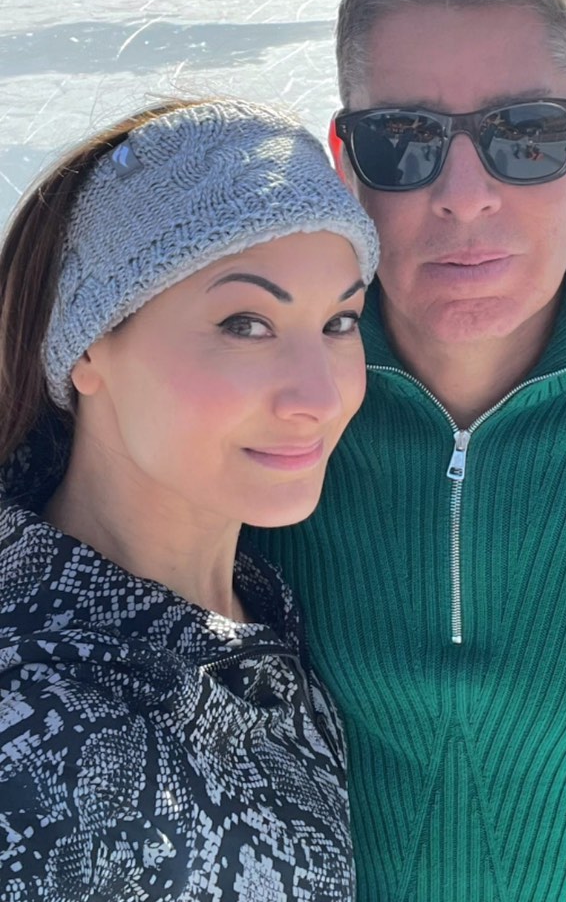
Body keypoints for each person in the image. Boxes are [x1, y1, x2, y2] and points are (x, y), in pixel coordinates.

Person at [247, 0, 566, 902]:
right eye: (403, 140)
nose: (465, 196)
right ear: (346, 165)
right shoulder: (262, 403)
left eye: (526, 134)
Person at [0, 97, 379, 901]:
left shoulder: (256, 603)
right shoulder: (31, 737)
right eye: (246, 323)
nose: (319, 395)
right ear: (89, 343)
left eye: (341, 322)